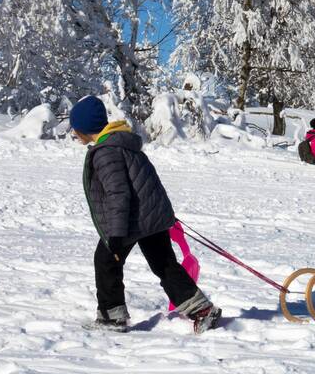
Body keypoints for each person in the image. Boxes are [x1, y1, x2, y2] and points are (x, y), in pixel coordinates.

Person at [69, 95, 220, 333]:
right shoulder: (122, 143)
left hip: (132, 219)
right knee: (165, 265)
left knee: (106, 260)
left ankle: (112, 317)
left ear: (84, 129)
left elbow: (118, 194)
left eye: (75, 129)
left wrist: (116, 236)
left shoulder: (106, 152)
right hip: (150, 217)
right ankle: (202, 309)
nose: (74, 134)